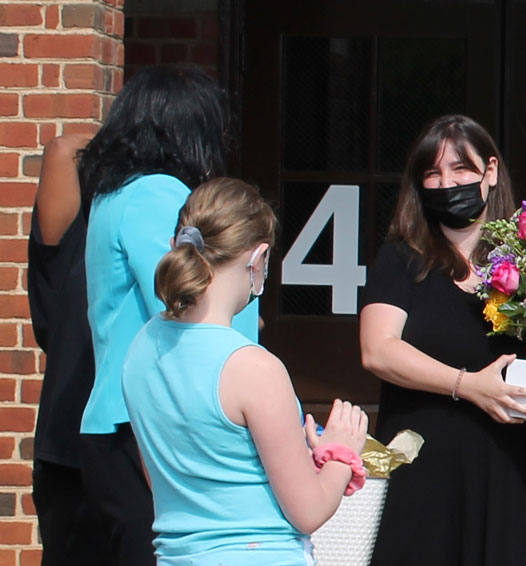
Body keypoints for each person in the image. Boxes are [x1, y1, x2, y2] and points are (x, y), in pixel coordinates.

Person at [359, 114, 526, 566]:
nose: (447, 183)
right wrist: (468, 385)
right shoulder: (401, 258)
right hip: (429, 476)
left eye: (461, 170)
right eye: (433, 174)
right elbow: (378, 350)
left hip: (518, 476)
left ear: (490, 172)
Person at [122, 178, 368, 566]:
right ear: (258, 259)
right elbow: (308, 511)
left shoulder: (140, 348)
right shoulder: (254, 367)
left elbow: (165, 479)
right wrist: (341, 452)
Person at [76, 64, 259, 565]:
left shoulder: (111, 195)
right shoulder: (159, 193)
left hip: (118, 422)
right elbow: (184, 295)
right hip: (149, 428)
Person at [27, 134, 112, 566]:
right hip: (69, 445)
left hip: (127, 446)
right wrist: (132, 138)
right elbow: (63, 150)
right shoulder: (70, 242)